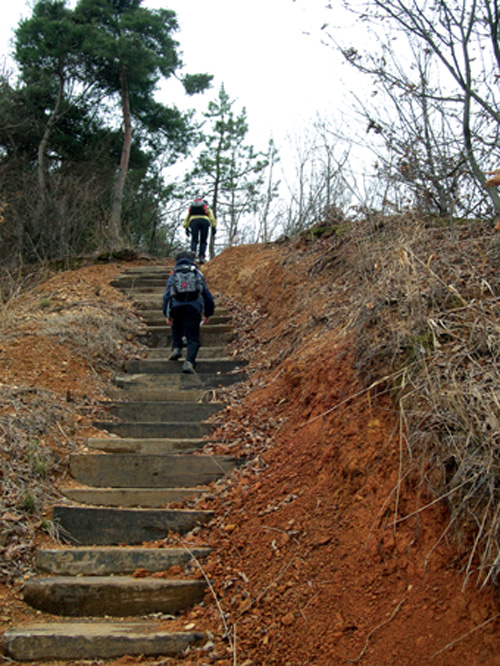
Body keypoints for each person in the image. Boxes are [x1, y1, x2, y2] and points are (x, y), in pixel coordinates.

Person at [162, 251, 214, 374]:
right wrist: (208, 313)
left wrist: (167, 314)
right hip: (193, 307)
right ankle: (189, 362)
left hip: (176, 306)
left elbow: (166, 296)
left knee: (176, 326)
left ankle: (177, 348)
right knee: (192, 337)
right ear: (193, 261)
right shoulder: (197, 273)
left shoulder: (174, 273)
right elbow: (207, 295)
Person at [183, 197, 217, 263]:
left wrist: (186, 227)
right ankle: (201, 256)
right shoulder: (207, 207)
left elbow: (187, 217)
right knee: (203, 240)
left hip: (193, 221)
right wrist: (213, 226)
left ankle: (193, 252)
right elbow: (212, 217)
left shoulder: (191, 208)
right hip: (205, 221)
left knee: (194, 239)